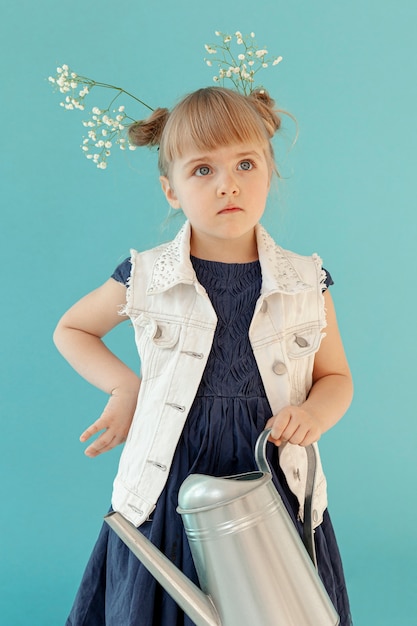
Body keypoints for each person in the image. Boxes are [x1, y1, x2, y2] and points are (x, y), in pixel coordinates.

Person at [54, 86, 354, 625]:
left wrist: (312, 413)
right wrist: (127, 388)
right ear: (171, 189)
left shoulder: (306, 281)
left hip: (271, 476)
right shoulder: (146, 276)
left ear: (269, 171)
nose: (228, 184)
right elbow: (73, 328)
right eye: (202, 170)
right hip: (170, 477)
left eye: (244, 163)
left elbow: (335, 377)